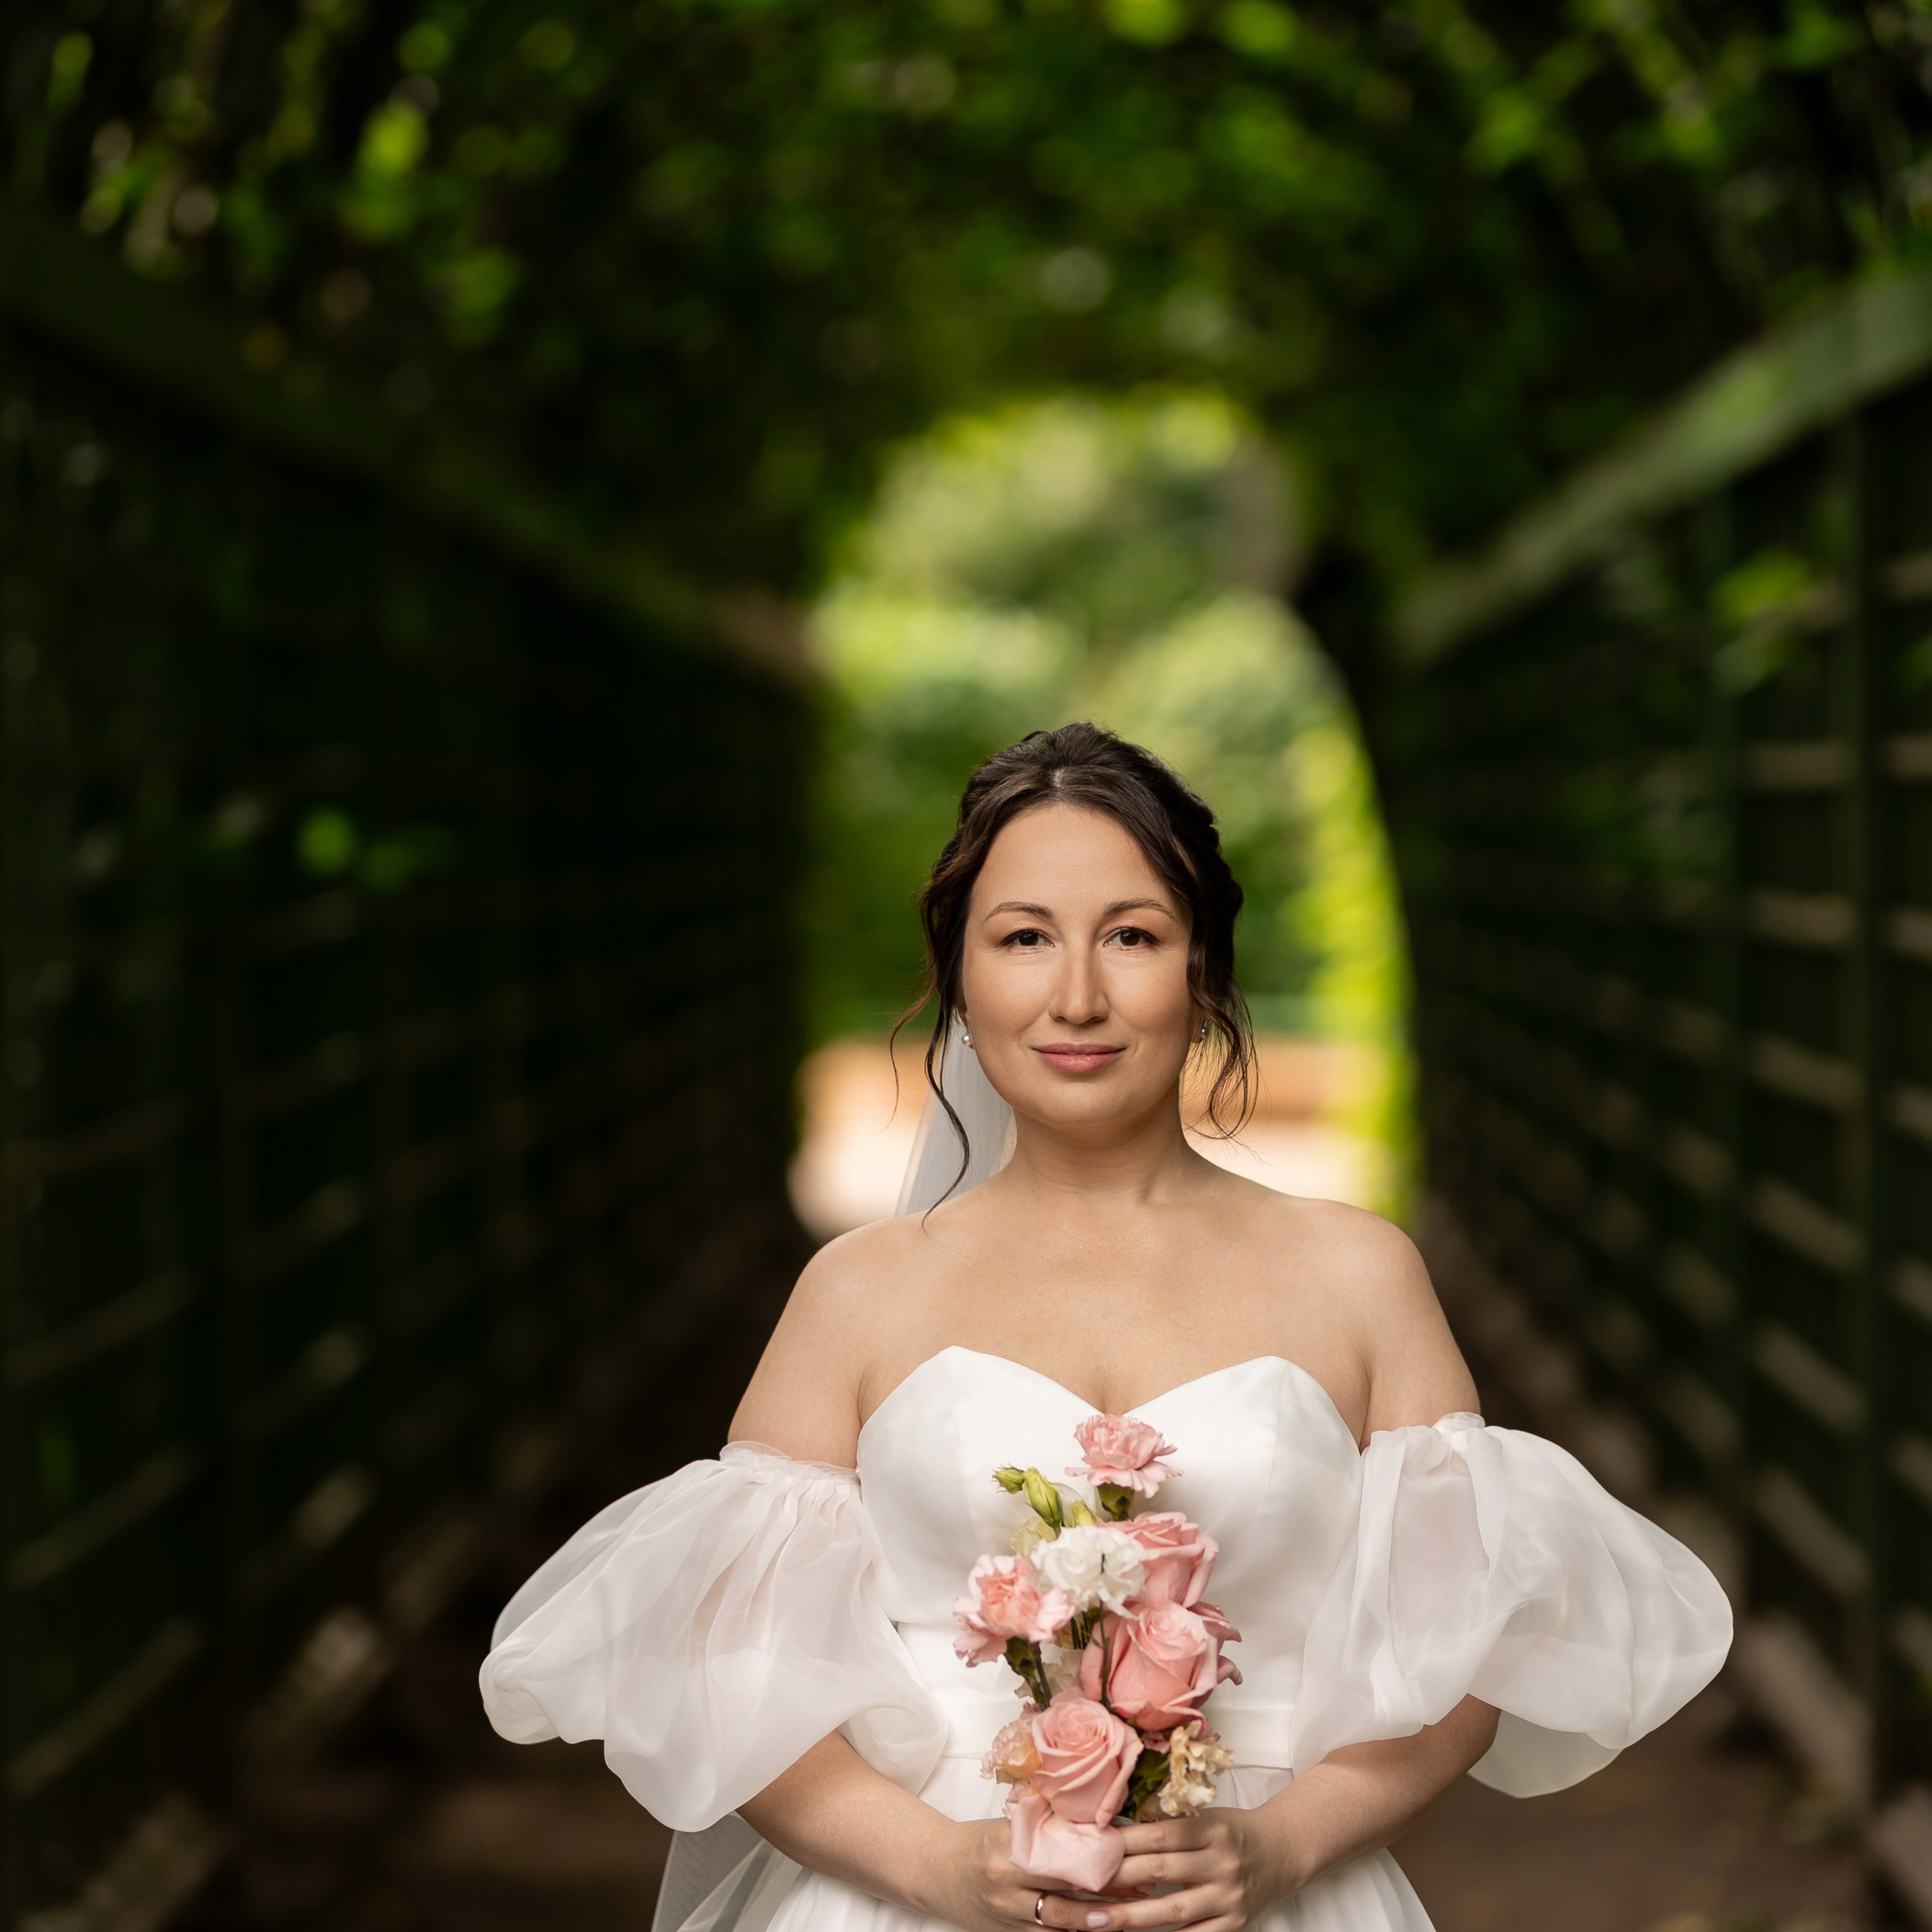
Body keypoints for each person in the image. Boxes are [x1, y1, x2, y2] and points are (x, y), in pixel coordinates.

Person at [480, 723, 1732, 1932]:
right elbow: (732, 1657)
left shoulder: (1358, 1274)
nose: (1076, 995)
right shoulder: (859, 1290)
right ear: (960, 974)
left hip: (1256, 1894)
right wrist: (928, 1867)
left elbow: (1468, 1647)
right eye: (1023, 938)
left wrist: (1285, 1842)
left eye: (1132, 936)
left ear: (1204, 968)